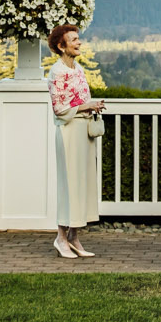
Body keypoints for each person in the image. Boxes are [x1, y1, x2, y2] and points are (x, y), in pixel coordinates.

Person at [47, 22, 105, 259]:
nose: (79, 42)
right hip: (69, 132)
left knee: (82, 184)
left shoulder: (78, 69)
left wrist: (92, 107)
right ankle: (60, 237)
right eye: (73, 40)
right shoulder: (56, 72)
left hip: (83, 132)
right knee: (69, 184)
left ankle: (74, 236)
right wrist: (86, 106)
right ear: (61, 46)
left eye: (78, 38)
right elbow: (60, 107)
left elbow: (81, 99)